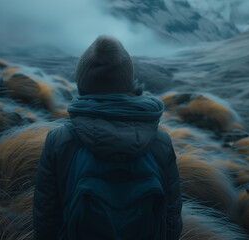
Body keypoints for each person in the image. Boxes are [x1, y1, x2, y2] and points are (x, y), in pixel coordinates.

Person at [33, 36, 182, 240]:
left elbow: (46, 222)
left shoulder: (59, 141)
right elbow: (171, 223)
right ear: (129, 83)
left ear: (82, 85)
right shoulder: (161, 143)